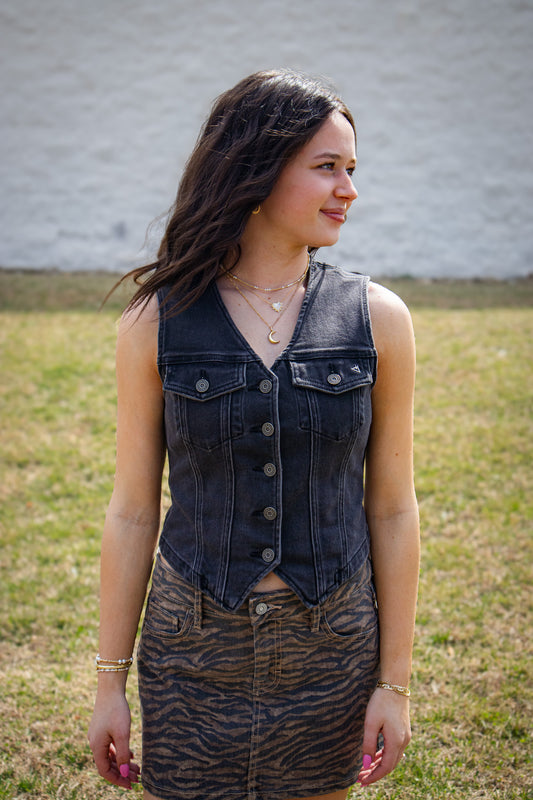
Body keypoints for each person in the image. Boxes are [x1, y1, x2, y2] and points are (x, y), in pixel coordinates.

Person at [88, 69, 420, 800]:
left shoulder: (377, 319)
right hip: (191, 646)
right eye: (327, 167)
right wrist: (109, 683)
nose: (349, 190)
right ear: (257, 170)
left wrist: (392, 683)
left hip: (331, 648)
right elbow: (133, 508)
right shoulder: (154, 323)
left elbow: (392, 508)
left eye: (352, 169)